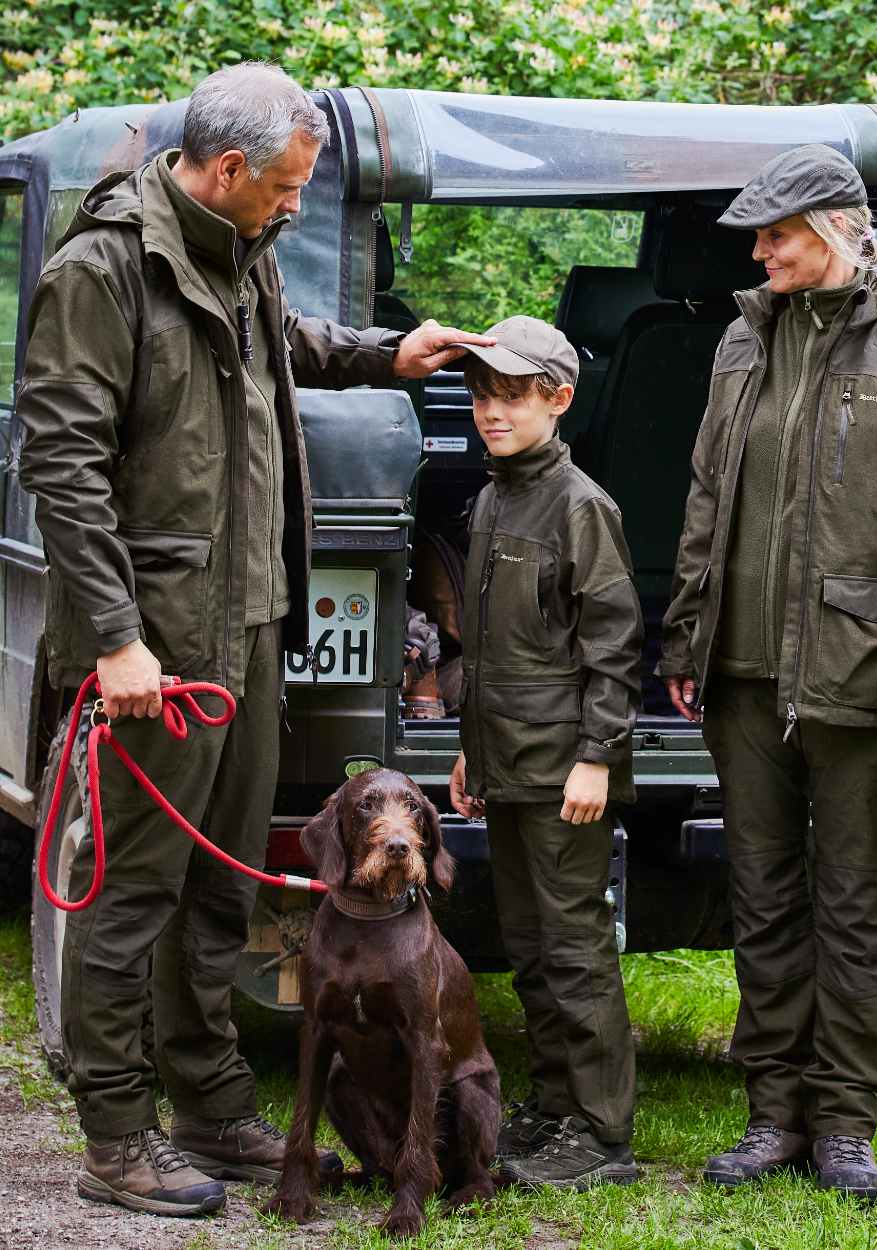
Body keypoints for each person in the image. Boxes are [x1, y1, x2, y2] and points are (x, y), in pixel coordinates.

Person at [17, 62, 494, 1217]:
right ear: (227, 168)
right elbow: (62, 463)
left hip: (247, 628)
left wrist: (387, 352)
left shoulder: (241, 249)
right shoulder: (103, 270)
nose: (296, 203)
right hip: (156, 646)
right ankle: (117, 1132)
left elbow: (282, 342)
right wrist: (117, 638)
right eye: (285, 186)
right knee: (132, 894)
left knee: (221, 889)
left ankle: (211, 1102)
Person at [658, 144, 877, 1200]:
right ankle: (774, 1113)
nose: (760, 253)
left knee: (856, 900)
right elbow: (706, 497)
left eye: (777, 235)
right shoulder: (740, 340)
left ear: (838, 229)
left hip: (863, 668)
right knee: (762, 895)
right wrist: (687, 636)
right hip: (742, 671)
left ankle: (844, 1122)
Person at [448, 316, 644, 1190]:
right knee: (528, 944)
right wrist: (471, 753)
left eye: (513, 396)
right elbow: (489, 650)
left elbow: (614, 645)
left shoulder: (580, 506)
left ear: (558, 400)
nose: (493, 412)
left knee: (575, 947)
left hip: (566, 770)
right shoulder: (493, 498)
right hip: (508, 765)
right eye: (482, 395)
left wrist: (597, 756)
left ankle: (602, 1135)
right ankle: (556, 1104)